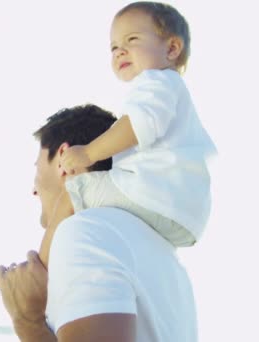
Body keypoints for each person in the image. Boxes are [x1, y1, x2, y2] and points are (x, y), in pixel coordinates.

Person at [0, 104, 198, 341]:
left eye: (37, 167)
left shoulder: (84, 231)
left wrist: (27, 319)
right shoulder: (160, 250)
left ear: (62, 159)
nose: (33, 189)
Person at [60, 1, 216, 247]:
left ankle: (38, 272)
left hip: (154, 195)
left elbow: (138, 125)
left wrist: (88, 153)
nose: (120, 51)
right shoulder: (171, 91)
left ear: (172, 48)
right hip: (183, 214)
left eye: (132, 39)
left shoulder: (156, 81)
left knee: (71, 192)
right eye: (113, 47)